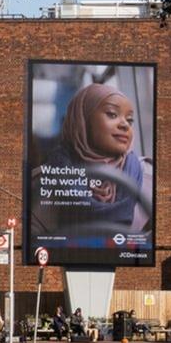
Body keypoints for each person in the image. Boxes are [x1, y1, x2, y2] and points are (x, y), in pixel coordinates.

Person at [31, 83, 149, 235]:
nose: (125, 125)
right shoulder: (41, 182)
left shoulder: (149, 179)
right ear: (83, 120)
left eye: (130, 120)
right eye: (112, 114)